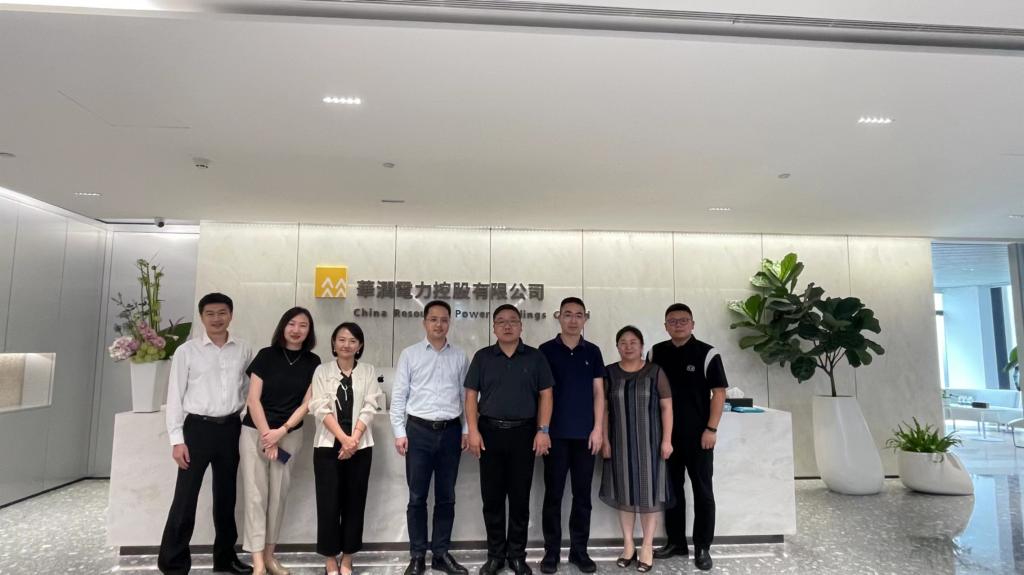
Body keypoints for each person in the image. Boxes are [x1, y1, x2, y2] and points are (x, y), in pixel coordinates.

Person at [159, 292, 254, 575]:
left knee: (227, 497)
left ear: (231, 315)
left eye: (222, 312)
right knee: (185, 498)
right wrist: (177, 440)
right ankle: (173, 564)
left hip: (231, 430)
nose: (216, 318)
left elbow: (249, 389)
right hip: (197, 430)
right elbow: (175, 396)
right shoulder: (186, 351)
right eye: (210, 313)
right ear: (202, 317)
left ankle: (225, 559)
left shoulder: (244, 349)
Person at [465, 304, 555, 575]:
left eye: (513, 321)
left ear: (521, 326)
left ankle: (517, 555)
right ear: (493, 327)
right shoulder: (483, 357)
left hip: (524, 434)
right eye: (501, 321)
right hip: (489, 433)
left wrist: (543, 430)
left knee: (519, 498)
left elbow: (546, 395)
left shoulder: (535, 357)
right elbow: (471, 395)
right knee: (492, 499)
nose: (507, 326)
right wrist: (472, 430)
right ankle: (495, 556)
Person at [391, 300, 471, 575]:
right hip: (418, 432)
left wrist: (466, 429)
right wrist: (399, 432)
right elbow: (399, 396)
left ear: (450, 322)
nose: (439, 324)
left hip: (450, 432)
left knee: (446, 496)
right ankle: (417, 555)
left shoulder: (460, 356)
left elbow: (465, 397)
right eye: (433, 319)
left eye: (444, 319)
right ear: (424, 322)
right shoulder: (410, 354)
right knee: (417, 497)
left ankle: (440, 553)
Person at [240, 307, 320, 575]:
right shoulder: (266, 355)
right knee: (255, 497)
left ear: (309, 331)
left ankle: (270, 556)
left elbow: (306, 404)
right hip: (255, 434)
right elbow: (253, 400)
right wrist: (268, 436)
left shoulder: (313, 362)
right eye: (292, 324)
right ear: (283, 326)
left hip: (289, 436)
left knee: (278, 497)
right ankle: (258, 563)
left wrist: (281, 432)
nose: (296, 330)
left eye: (303, 325)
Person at [649, 304, 727, 572]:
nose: (678, 325)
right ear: (665, 326)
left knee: (703, 491)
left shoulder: (707, 353)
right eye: (672, 321)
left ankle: (703, 546)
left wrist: (711, 429)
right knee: (672, 491)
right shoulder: (656, 353)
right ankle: (676, 542)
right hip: (666, 437)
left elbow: (719, 393)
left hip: (699, 437)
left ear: (693, 324)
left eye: (683, 320)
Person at [309, 322, 383, 575]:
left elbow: (371, 405)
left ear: (359, 345)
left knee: (354, 503)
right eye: (341, 340)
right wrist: (343, 438)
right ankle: (330, 558)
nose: (346, 345)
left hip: (360, 448)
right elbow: (319, 407)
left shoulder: (368, 371)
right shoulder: (322, 371)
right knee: (328, 504)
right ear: (333, 343)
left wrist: (354, 439)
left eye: (352, 341)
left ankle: (348, 557)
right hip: (328, 447)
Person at [538, 297, 605, 574]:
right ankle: (551, 553)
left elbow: (599, 393)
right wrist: (542, 431)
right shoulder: (545, 351)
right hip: (555, 436)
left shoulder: (594, 351)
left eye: (579, 315)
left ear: (585, 318)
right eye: (568, 314)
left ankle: (580, 552)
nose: (573, 320)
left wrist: (598, 429)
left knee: (582, 497)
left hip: (585, 436)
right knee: (553, 496)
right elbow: (541, 394)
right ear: (559, 317)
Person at [599, 326, 673, 573]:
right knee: (625, 494)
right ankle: (628, 545)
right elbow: (604, 409)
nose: (628, 346)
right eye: (623, 342)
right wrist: (605, 440)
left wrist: (667, 440)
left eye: (633, 342)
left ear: (642, 346)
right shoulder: (610, 373)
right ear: (617, 346)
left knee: (649, 496)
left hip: (650, 444)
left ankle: (647, 546)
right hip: (619, 443)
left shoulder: (655, 372)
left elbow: (667, 408)